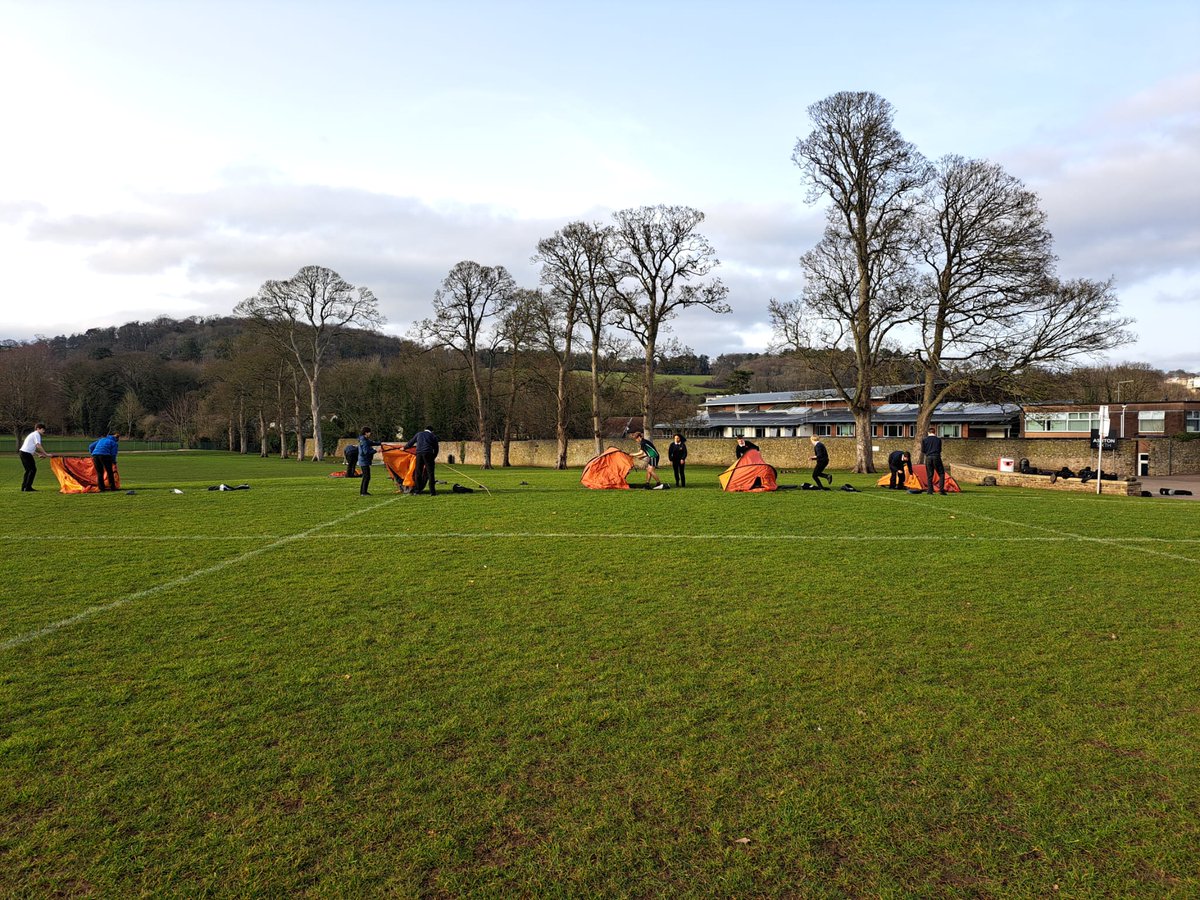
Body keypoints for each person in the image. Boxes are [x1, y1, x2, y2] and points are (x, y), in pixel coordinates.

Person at [404, 425, 440, 495]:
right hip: (428, 454)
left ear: (425, 429)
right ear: (432, 431)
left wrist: (404, 448)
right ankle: (432, 492)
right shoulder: (433, 436)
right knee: (430, 473)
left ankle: (417, 490)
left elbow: (411, 443)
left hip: (419, 454)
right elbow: (436, 448)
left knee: (418, 472)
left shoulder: (419, 434)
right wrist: (433, 457)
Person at [19, 423, 52, 492]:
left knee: (29, 470)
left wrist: (38, 454)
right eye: (42, 429)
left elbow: (29, 447)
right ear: (38, 429)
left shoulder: (33, 434)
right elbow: (38, 445)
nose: (44, 431)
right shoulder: (36, 434)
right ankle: (27, 488)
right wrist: (46, 454)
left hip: (23, 453)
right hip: (26, 454)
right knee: (32, 470)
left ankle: (24, 487)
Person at [921, 427, 947, 495]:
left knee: (930, 475)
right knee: (941, 473)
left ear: (928, 432)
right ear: (935, 432)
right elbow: (940, 449)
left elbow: (923, 450)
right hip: (936, 457)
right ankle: (941, 490)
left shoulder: (924, 440)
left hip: (928, 457)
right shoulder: (938, 440)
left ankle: (930, 490)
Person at [357, 428, 381, 496]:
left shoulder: (364, 439)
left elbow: (372, 443)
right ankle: (363, 492)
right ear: (366, 433)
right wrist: (376, 451)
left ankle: (363, 491)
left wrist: (380, 443)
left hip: (364, 460)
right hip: (364, 461)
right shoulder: (364, 441)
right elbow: (366, 452)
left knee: (366, 476)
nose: (370, 433)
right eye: (369, 432)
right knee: (366, 476)